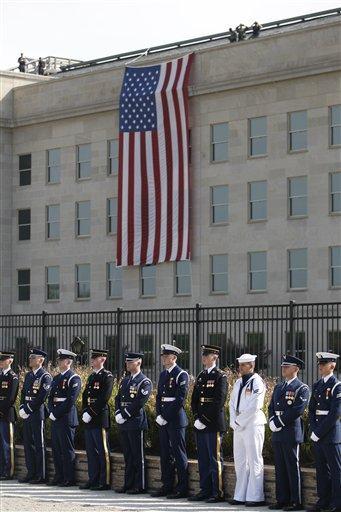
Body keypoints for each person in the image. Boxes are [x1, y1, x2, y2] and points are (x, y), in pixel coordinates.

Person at [268, 355, 309, 511]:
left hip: (290, 431)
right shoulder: (279, 387)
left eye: (287, 366)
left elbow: (297, 410)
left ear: (296, 369)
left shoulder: (302, 388)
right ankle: (282, 499)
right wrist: (271, 420)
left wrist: (278, 422)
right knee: (280, 467)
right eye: (283, 366)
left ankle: (295, 501)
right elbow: (271, 406)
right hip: (277, 432)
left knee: (292, 466)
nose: (283, 368)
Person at [188, 344, 228, 503]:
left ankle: (217, 492)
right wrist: (197, 417)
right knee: (203, 459)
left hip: (212, 424)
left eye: (207, 355)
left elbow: (219, 401)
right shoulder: (201, 375)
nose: (203, 357)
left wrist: (204, 420)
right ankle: (204, 490)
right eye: (203, 354)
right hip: (201, 423)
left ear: (215, 357)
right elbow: (194, 400)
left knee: (214, 459)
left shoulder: (221, 376)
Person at [151, 343, 189, 499]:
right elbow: (159, 396)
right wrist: (159, 414)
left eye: (166, 356)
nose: (163, 358)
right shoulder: (163, 374)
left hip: (175, 420)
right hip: (164, 419)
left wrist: (165, 416)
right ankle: (167, 485)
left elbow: (180, 399)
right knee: (165, 454)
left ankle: (182, 488)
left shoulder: (181, 375)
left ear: (174, 358)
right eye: (163, 356)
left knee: (179, 454)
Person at [229, 353, 266, 506]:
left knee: (254, 459)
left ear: (251, 366)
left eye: (244, 365)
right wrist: (233, 421)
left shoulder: (258, 382)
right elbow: (231, 403)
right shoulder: (238, 382)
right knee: (240, 460)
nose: (240, 367)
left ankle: (255, 496)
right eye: (240, 364)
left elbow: (255, 405)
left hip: (252, 424)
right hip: (238, 425)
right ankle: (240, 494)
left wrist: (239, 421)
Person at [114, 352, 152, 494]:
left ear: (139, 363)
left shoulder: (144, 381)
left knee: (138, 456)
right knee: (128, 455)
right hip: (124, 422)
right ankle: (128, 484)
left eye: (131, 362)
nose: (127, 364)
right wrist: (118, 412)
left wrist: (124, 414)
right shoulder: (125, 380)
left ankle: (140, 485)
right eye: (127, 362)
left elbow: (139, 402)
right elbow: (118, 398)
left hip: (135, 422)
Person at [308, 352, 340, 512]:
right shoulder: (317, 385)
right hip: (318, 434)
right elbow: (311, 410)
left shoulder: (337, 385)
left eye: (324, 363)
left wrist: (319, 432)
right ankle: (323, 501)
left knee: (335, 470)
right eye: (320, 363)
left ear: (332, 366)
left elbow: (335, 414)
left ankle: (337, 503)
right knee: (321, 470)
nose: (320, 366)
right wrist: (313, 429)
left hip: (331, 435)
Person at [79, 349, 113, 491]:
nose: (92, 361)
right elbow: (86, 395)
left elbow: (104, 397)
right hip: (90, 418)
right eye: (92, 358)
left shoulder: (107, 376)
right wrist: (85, 411)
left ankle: (103, 481)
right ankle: (93, 479)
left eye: (95, 358)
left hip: (99, 418)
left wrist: (91, 412)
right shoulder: (92, 377)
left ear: (102, 360)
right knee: (91, 451)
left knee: (102, 450)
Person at [47, 348, 81, 487]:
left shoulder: (74, 378)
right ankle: (59, 475)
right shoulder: (56, 378)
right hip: (56, 417)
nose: (58, 362)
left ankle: (69, 478)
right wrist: (51, 411)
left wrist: (56, 413)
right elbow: (50, 397)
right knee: (56, 449)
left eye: (61, 360)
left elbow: (70, 400)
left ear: (68, 362)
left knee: (67, 449)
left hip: (66, 418)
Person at [18, 348, 52, 484]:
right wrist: (22, 407)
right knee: (28, 444)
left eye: (33, 357)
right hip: (27, 413)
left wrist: (28, 408)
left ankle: (41, 475)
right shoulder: (29, 375)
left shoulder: (45, 376)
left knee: (39, 444)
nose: (30, 359)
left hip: (37, 413)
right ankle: (31, 472)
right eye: (30, 357)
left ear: (41, 360)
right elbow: (23, 393)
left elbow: (42, 397)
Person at [0, 351, 19, 480]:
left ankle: (9, 471)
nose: (1, 362)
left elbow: (11, 398)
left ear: (10, 361)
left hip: (6, 414)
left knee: (7, 444)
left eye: (3, 359)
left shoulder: (13, 377)